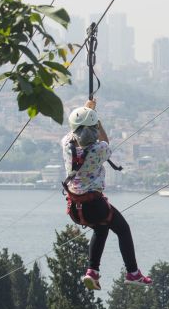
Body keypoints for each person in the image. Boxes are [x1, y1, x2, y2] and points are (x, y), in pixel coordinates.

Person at [62, 99, 151, 290]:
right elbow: (105, 141)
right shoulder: (98, 150)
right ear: (94, 128)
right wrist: (96, 119)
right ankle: (132, 272)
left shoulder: (66, 145)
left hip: (75, 209)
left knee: (101, 229)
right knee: (123, 230)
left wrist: (86, 111)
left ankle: (92, 272)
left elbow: (75, 131)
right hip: (95, 205)